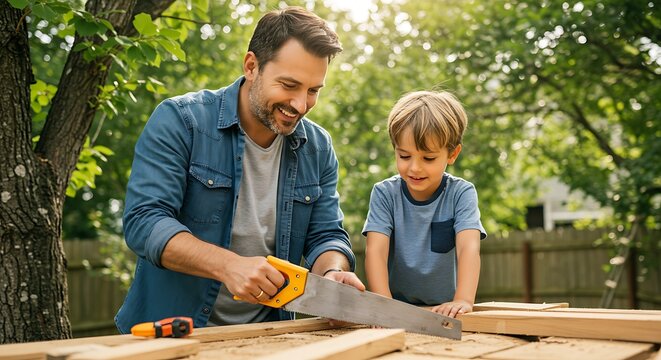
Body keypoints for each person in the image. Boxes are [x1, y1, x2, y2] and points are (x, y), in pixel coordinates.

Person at [115, 6, 365, 333]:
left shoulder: (317, 147)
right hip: (170, 335)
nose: (301, 104)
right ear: (251, 66)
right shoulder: (181, 121)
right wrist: (227, 265)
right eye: (289, 85)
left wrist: (332, 274)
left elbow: (326, 235)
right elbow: (144, 222)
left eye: (313, 90)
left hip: (266, 338)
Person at [362, 90, 486, 318]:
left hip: (443, 310)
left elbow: (468, 247)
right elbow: (375, 251)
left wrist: (463, 300)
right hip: (397, 307)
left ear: (452, 154)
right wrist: (383, 304)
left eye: (428, 158)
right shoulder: (384, 193)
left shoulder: (462, 193)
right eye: (404, 156)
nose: (415, 168)